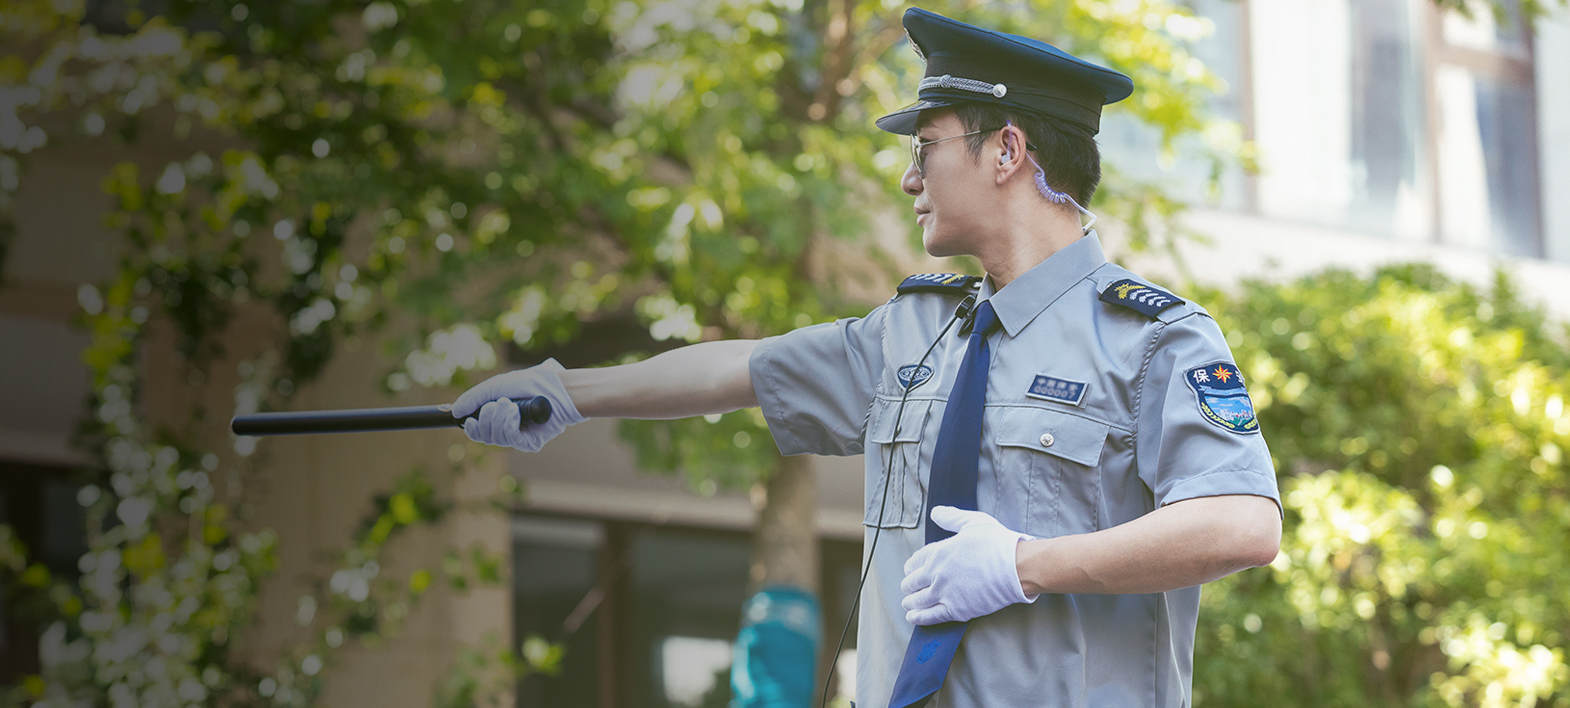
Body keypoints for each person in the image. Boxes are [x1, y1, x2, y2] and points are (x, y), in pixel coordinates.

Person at [452, 7, 1283, 707]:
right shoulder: (915, 331)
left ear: (1006, 151)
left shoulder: (1152, 339)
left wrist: (1022, 566)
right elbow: (738, 370)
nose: (908, 180)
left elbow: (1241, 524)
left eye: (925, 148)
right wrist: (564, 390)